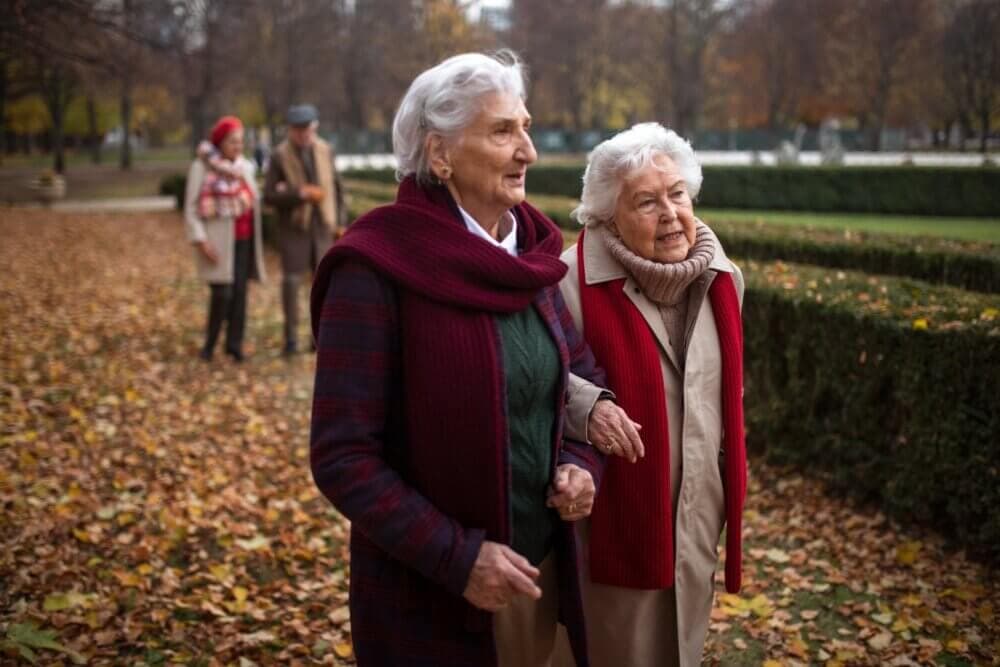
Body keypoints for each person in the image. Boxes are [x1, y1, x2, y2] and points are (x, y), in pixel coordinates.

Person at [309, 51, 614, 667]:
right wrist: (457, 557)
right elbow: (343, 456)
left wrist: (582, 466)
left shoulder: (528, 256)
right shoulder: (374, 268)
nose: (527, 150)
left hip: (540, 582)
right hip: (430, 600)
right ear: (439, 154)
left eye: (525, 127)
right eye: (503, 131)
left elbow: (581, 379)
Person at [555, 122, 748, 667]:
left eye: (677, 194)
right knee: (616, 649)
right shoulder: (566, 282)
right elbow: (535, 374)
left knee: (683, 647)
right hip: (611, 514)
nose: (669, 213)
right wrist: (586, 407)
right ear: (605, 214)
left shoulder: (723, 278)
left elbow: (725, 392)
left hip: (697, 514)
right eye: (646, 201)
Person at [263, 104, 346, 355]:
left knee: (322, 285)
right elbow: (268, 196)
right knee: (291, 283)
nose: (303, 135)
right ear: (290, 130)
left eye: (307, 130)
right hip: (294, 229)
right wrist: (299, 193)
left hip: (323, 226)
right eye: (298, 131)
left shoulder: (325, 150)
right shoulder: (279, 156)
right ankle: (290, 340)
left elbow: (339, 190)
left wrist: (341, 222)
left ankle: (318, 338)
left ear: (315, 127)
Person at [183, 115, 266, 362]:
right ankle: (209, 345)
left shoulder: (244, 167)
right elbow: (191, 207)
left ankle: (234, 345)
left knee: (240, 294)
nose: (238, 147)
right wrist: (200, 240)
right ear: (220, 143)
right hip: (217, 243)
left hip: (244, 240)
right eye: (232, 142)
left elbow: (254, 198)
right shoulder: (202, 167)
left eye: (240, 142)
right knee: (223, 294)